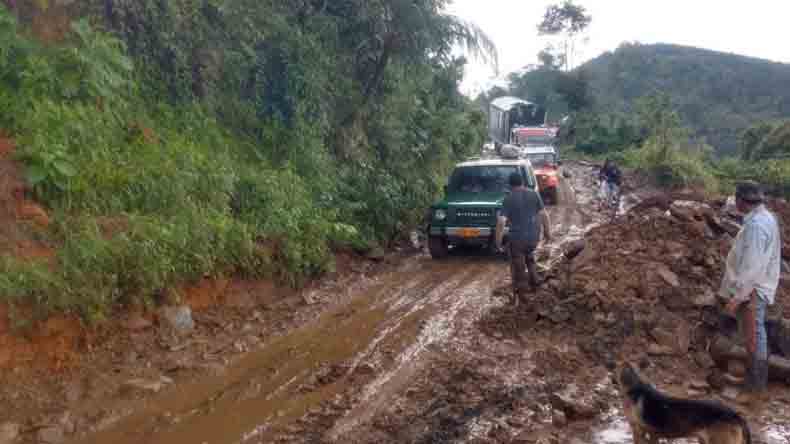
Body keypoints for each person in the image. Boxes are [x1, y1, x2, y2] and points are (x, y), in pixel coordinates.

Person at [719, 181, 782, 407]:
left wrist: (737, 298)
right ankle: (755, 384)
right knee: (755, 335)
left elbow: (753, 266)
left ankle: (755, 389)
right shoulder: (762, 219)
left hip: (753, 288)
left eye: (736, 199)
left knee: (754, 337)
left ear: (741, 201)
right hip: (755, 285)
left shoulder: (757, 226)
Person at [496, 172, 552, 305]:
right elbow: (544, 215)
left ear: (510, 184)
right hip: (534, 237)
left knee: (519, 266)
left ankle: (524, 295)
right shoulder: (534, 194)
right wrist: (547, 233)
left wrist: (498, 242)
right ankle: (535, 281)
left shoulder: (508, 198)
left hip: (517, 239)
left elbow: (501, 222)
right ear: (522, 182)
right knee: (529, 255)